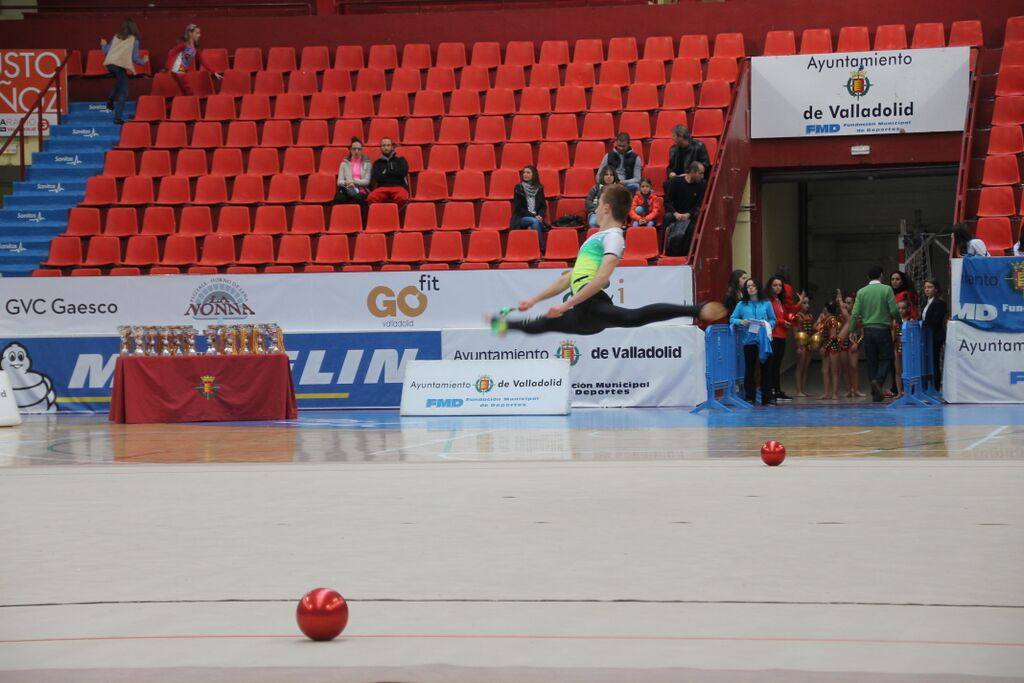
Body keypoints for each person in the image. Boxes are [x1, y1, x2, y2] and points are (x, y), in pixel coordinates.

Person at [488, 183, 726, 337]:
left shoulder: (614, 237)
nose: (596, 205)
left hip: (592, 307)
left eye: (599, 202)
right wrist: (534, 299)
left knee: (634, 318)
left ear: (606, 208)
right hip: (582, 315)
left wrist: (566, 305)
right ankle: (503, 325)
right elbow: (568, 279)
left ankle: (697, 310)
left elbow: (602, 277)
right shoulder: (595, 238)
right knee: (542, 324)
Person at [842, 265, 900, 402]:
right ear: (881, 275)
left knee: (871, 361)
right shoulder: (887, 289)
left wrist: (851, 330)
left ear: (868, 277)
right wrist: (900, 322)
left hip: (867, 331)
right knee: (888, 358)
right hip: (883, 329)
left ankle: (875, 394)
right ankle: (878, 382)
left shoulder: (861, 292)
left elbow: (855, 313)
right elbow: (894, 310)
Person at [730, 278, 776, 406]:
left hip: (764, 341)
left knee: (766, 369)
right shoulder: (741, 304)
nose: (750, 288)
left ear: (758, 288)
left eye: (753, 286)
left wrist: (767, 325)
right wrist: (741, 322)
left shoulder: (766, 303)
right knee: (749, 370)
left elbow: (773, 320)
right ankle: (750, 397)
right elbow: (732, 318)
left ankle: (767, 397)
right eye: (748, 286)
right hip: (749, 341)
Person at [100, 19, 149, 125]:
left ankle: (110, 100)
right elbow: (135, 58)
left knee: (120, 82)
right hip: (120, 65)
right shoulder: (134, 40)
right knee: (124, 92)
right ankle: (117, 117)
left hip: (110, 64)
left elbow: (105, 51)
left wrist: (103, 44)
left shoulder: (116, 36)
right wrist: (143, 61)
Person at [165, 23, 222, 96]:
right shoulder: (184, 45)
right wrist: (168, 66)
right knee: (189, 92)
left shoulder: (195, 47)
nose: (199, 35)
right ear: (190, 33)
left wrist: (213, 72)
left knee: (186, 93)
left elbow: (202, 60)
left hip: (181, 72)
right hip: (178, 71)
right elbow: (171, 53)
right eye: (197, 33)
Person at [663, 162, 706, 256]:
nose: (702, 176)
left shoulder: (701, 185)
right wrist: (675, 213)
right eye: (700, 173)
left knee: (692, 226)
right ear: (693, 172)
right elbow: (667, 201)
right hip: (676, 214)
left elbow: (699, 204)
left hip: (690, 215)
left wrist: (688, 214)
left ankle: (686, 254)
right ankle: (665, 250)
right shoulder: (676, 182)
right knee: (667, 217)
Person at [766, 276, 793, 402]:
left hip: (781, 335)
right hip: (773, 335)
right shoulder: (768, 301)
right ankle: (771, 390)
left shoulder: (779, 300)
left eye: (780, 285)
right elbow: (770, 317)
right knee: (772, 365)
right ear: (770, 287)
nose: (778, 288)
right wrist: (783, 322)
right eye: (775, 285)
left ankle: (777, 390)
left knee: (777, 365)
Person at [511, 165, 548, 248]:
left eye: (528, 172)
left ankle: (533, 250)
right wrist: (534, 216)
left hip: (536, 218)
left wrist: (541, 215)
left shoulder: (539, 188)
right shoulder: (518, 188)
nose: (525, 174)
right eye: (524, 172)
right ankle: (541, 247)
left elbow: (543, 206)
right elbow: (518, 208)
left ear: (534, 175)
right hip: (521, 217)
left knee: (531, 226)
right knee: (534, 221)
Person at [920, 278, 947, 390]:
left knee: (934, 361)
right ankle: (928, 386)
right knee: (928, 361)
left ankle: (935, 387)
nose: (927, 289)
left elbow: (936, 320)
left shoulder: (939, 303)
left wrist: (923, 324)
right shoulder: (925, 302)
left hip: (935, 336)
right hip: (926, 336)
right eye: (926, 287)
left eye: (930, 287)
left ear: (936, 289)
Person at [366, 138, 409, 208]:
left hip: (398, 186)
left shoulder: (401, 160)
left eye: (388, 145)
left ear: (392, 147)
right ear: (381, 148)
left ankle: (394, 212)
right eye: (383, 145)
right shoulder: (377, 163)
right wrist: (394, 172)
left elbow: (403, 172)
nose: (386, 147)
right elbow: (377, 177)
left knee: (403, 197)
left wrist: (386, 172)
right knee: (371, 198)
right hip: (382, 187)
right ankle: (382, 213)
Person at [838, 291, 865, 398]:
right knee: (845, 367)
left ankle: (856, 389)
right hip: (843, 343)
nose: (847, 304)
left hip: (853, 342)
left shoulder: (858, 316)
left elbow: (863, 333)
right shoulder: (841, 316)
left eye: (849, 303)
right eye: (845, 302)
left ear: (854, 304)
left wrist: (857, 344)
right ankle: (849, 390)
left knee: (854, 367)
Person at [816, 300, 843, 400]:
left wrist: (824, 347)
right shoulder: (825, 319)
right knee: (824, 370)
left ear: (827, 309)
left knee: (834, 370)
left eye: (825, 308)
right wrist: (819, 319)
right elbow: (816, 328)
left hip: (833, 346)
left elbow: (833, 336)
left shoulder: (832, 320)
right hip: (826, 345)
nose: (823, 309)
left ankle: (835, 393)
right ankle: (826, 393)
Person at [335, 137, 371, 205]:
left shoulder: (367, 164)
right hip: (347, 189)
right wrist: (347, 183)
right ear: (350, 150)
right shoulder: (344, 163)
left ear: (362, 150)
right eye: (354, 149)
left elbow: (366, 182)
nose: (356, 151)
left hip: (361, 190)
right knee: (340, 198)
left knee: (358, 198)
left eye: (359, 149)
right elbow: (339, 182)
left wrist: (353, 181)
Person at [793, 294, 814, 398]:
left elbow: (810, 332)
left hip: (808, 344)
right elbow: (796, 332)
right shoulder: (797, 316)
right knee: (800, 367)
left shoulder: (810, 316)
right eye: (804, 303)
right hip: (801, 344)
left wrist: (810, 343)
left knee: (806, 368)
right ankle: (798, 390)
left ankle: (803, 389)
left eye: (808, 303)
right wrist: (798, 346)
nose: (807, 305)